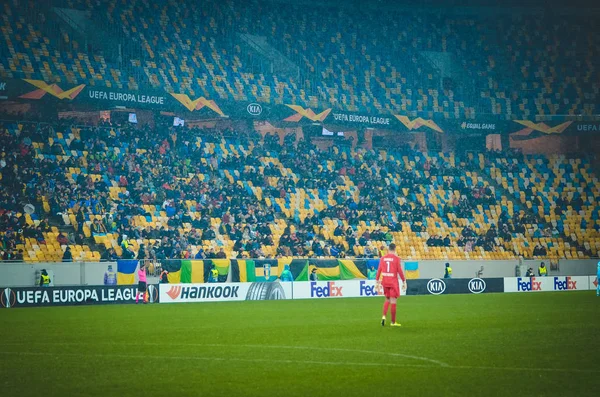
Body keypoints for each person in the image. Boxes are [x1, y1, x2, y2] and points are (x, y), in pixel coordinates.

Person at [376, 243, 406, 327]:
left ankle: (383, 316)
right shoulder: (396, 259)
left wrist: (377, 280)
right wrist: (404, 281)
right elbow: (399, 271)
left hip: (385, 281)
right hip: (393, 282)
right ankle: (393, 322)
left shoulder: (383, 258)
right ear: (395, 249)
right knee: (393, 301)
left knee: (387, 299)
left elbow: (379, 270)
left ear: (388, 249)